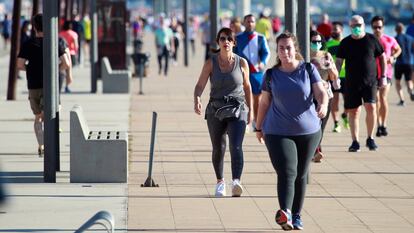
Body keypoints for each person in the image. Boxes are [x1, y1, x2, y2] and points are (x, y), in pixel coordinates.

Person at [255, 32, 328, 231]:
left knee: (301, 174)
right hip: (277, 131)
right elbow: (264, 102)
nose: (285, 51)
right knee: (287, 171)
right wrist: (258, 126)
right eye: (281, 48)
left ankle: (297, 215)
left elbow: (320, 91)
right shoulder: (271, 74)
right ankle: (285, 213)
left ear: (295, 48)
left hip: (309, 131)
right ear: (277, 51)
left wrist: (323, 104)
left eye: (288, 47)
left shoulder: (308, 69)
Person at [193, 27, 253, 197]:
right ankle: (220, 182)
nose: (225, 41)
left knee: (236, 146)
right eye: (222, 38)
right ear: (218, 42)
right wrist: (197, 98)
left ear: (234, 43)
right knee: (218, 148)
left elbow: (247, 88)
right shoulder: (211, 62)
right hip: (215, 110)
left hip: (237, 109)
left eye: (229, 39)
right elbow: (200, 85)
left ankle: (236, 182)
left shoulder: (242, 63)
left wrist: (251, 112)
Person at [17, 13, 71, 156]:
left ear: (34, 27)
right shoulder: (55, 41)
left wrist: (30, 69)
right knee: (49, 114)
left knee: (38, 117)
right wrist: (55, 70)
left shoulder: (28, 43)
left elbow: (20, 64)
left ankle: (41, 144)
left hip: (34, 84)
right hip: (50, 84)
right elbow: (67, 63)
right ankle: (50, 143)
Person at [335, 15, 387, 152]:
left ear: (363, 25)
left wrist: (383, 76)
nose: (356, 28)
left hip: (370, 81)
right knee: (354, 111)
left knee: (371, 107)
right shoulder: (345, 42)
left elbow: (382, 57)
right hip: (351, 82)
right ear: (349, 27)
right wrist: (335, 78)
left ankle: (370, 139)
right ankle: (355, 141)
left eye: (359, 25)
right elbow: (339, 61)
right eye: (353, 26)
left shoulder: (372, 39)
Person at [235, 14, 270, 131]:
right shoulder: (238, 38)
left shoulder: (260, 38)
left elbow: (266, 52)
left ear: (255, 23)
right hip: (242, 72)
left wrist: (262, 63)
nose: (250, 23)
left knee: (257, 98)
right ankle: (245, 121)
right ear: (244, 23)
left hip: (256, 72)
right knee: (243, 98)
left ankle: (256, 121)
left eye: (252, 21)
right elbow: (233, 53)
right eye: (248, 21)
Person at [310, 30, 339, 162]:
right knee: (313, 124)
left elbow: (334, 77)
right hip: (309, 96)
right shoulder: (303, 55)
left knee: (321, 125)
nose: (316, 44)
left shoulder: (326, 56)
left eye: (319, 41)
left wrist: (331, 69)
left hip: (326, 95)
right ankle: (316, 151)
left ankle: (316, 150)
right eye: (314, 41)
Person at [371, 16, 401, 137]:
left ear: (383, 27)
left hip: (386, 73)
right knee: (376, 100)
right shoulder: (369, 40)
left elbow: (399, 49)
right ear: (372, 27)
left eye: (379, 27)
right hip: (372, 73)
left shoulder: (389, 39)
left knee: (383, 98)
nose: (377, 29)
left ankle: (384, 124)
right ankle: (378, 125)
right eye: (375, 27)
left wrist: (393, 57)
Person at [326, 21, 349, 133]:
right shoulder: (328, 45)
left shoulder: (347, 43)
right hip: (333, 76)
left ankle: (345, 114)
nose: (333, 31)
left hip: (347, 76)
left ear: (341, 30)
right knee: (334, 100)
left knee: (348, 101)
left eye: (335, 29)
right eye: (332, 29)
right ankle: (336, 123)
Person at [394, 23, 414, 104]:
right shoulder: (410, 38)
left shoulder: (395, 39)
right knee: (409, 80)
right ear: (403, 29)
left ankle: (402, 100)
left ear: (396, 30)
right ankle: (411, 91)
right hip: (409, 63)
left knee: (398, 82)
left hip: (399, 63)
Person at [59, 20, 79, 93]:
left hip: (61, 54)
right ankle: (67, 86)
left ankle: (61, 83)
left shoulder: (60, 34)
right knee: (69, 71)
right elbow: (76, 46)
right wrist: (76, 53)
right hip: (71, 53)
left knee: (62, 70)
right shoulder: (74, 34)